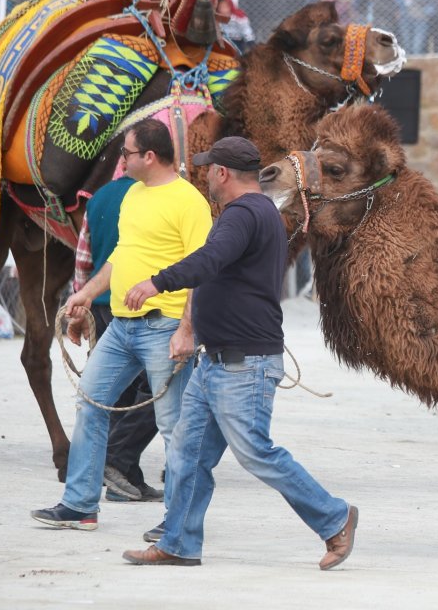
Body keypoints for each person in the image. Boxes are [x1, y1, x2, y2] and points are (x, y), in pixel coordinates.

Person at [120, 136, 358, 569]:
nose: (206, 177)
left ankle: (335, 517)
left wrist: (156, 282)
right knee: (187, 453)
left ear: (222, 173)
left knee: (255, 452)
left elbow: (209, 260)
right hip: (218, 361)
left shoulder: (243, 214)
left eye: (209, 169)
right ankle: (178, 543)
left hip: (242, 364)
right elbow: (218, 267)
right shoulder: (259, 212)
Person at [30, 118, 211, 530]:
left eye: (126, 153)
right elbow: (121, 257)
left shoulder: (189, 202)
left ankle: (180, 524)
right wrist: (86, 293)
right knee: (90, 403)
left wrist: (187, 330)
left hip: (165, 326)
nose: (121, 160)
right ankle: (80, 504)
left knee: (173, 426)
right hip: (121, 327)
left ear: (150, 156)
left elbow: (203, 271)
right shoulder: (133, 195)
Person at [66, 172, 162, 502]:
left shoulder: (98, 199)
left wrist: (81, 303)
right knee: (157, 389)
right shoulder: (152, 196)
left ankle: (125, 479)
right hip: (140, 303)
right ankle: (117, 460)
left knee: (114, 394)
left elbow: (83, 259)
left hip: (100, 304)